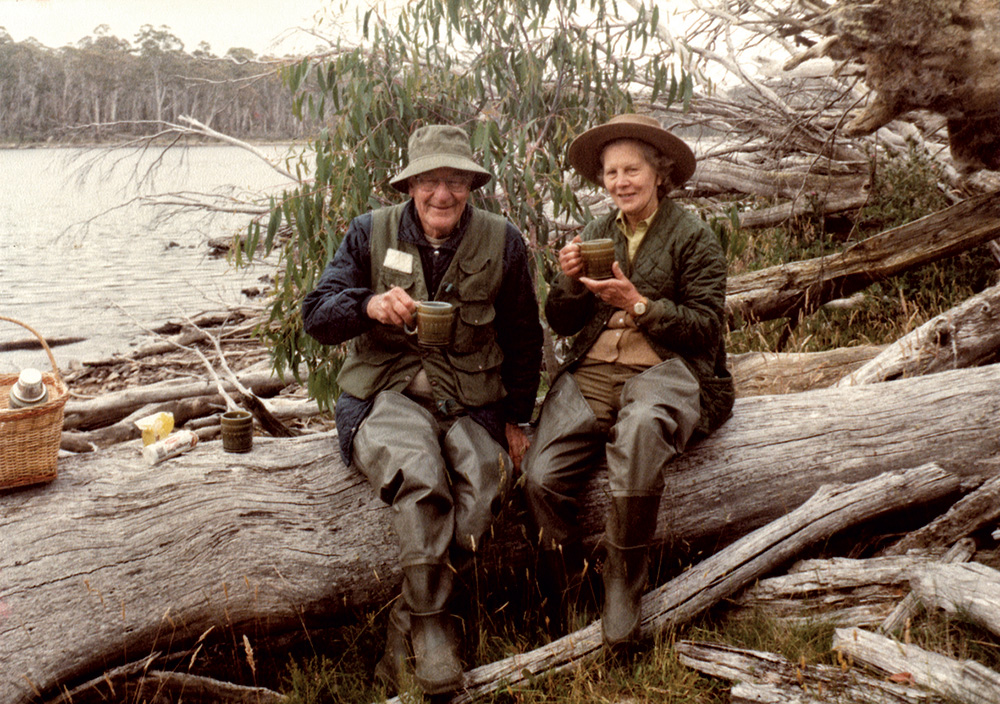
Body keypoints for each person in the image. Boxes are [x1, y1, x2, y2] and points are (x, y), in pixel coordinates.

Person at [301, 124, 543, 695]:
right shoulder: (369, 232)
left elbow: (524, 335)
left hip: (471, 402)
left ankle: (400, 634)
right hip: (384, 394)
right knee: (421, 478)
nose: (443, 194)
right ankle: (434, 630)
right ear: (410, 186)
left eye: (456, 181)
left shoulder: (502, 240)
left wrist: (518, 418)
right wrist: (368, 304)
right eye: (432, 181)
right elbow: (316, 314)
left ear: (470, 187)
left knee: (484, 487)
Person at [522, 113, 734, 647]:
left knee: (640, 432)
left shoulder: (693, 236)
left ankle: (623, 584)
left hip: (666, 369)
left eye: (632, 169)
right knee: (540, 475)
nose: (621, 182)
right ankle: (568, 597)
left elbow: (706, 327)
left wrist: (638, 304)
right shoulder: (596, 232)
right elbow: (565, 322)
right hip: (595, 370)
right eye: (611, 173)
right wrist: (568, 283)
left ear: (659, 173)